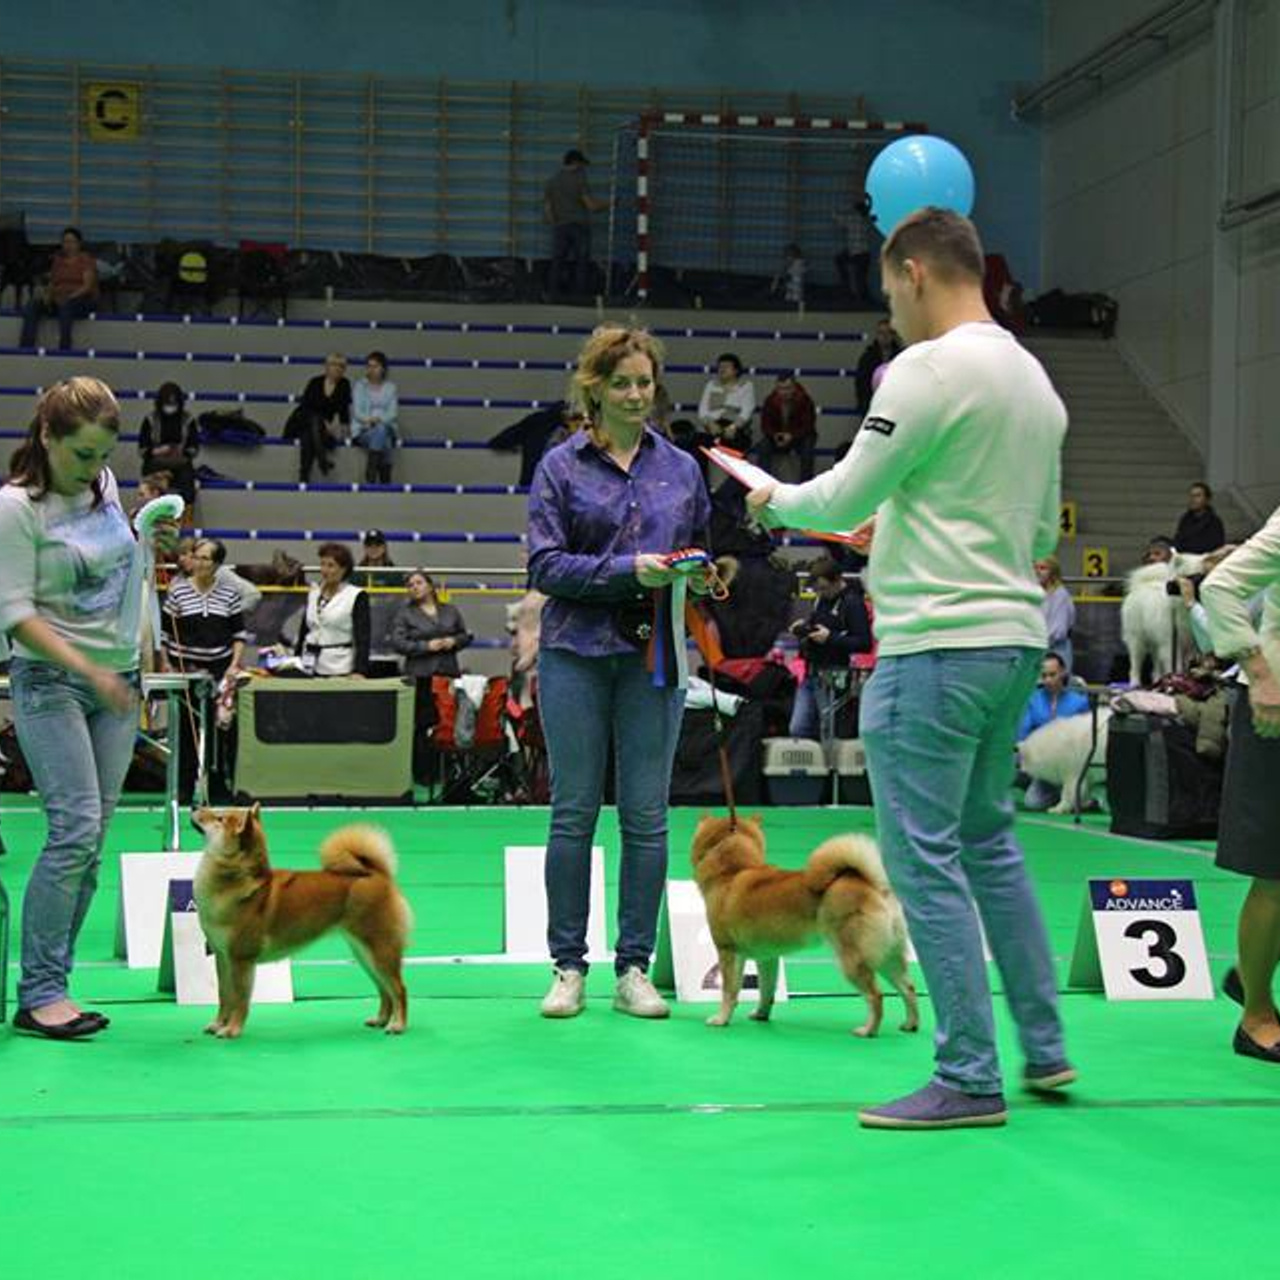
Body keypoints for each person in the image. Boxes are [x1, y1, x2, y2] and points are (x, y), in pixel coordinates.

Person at [748, 207, 1072, 1129]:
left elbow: (843, 488)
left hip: (935, 646)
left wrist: (772, 503)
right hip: (1011, 640)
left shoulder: (924, 370)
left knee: (924, 863)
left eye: (890, 288)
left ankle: (968, 1076)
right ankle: (1044, 1049)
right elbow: (1039, 532)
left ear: (917, 271)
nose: (889, 307)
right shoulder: (1034, 380)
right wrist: (910, 525)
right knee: (991, 844)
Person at [528, 325, 712, 1020]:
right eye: (623, 383)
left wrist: (699, 579)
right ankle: (567, 965)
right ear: (594, 389)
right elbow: (544, 565)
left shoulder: (683, 469)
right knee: (573, 814)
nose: (637, 395)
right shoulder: (560, 466)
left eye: (645, 383)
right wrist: (625, 573)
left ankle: (634, 967)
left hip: (654, 658)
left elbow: (700, 551)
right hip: (575, 652)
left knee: (647, 816)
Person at [0, 377, 169, 1039]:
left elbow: (119, 572)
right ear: (47, 438)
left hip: (117, 685)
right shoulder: (16, 508)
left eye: (104, 455)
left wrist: (135, 659)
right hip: (52, 683)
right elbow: (14, 615)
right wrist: (89, 671)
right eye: (81, 455)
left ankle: (56, 983)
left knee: (91, 845)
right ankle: (39, 991)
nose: (94, 469)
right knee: (71, 832)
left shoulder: (103, 488)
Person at [1200, 506, 1280, 1063]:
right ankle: (1255, 1015)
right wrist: (1261, 673)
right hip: (1277, 709)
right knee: (1276, 875)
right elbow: (1220, 586)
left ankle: (1253, 970)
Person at [160, 537, 247, 801]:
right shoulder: (178, 592)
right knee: (187, 731)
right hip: (186, 672)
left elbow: (239, 636)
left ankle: (219, 788)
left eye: (205, 558)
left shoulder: (230, 595)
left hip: (219, 673)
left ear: (217, 564)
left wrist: (233, 667)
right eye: (196, 556)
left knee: (221, 731)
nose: (198, 562)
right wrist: (167, 665)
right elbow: (165, 635)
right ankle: (184, 788)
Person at [389, 570, 472, 778]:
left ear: (430, 586)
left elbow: (464, 635)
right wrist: (427, 646)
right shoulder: (404, 613)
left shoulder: (450, 610)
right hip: (421, 676)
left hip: (447, 674)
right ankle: (423, 773)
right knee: (422, 725)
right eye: (410, 585)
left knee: (449, 724)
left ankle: (450, 773)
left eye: (418, 582)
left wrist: (454, 642)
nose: (414, 587)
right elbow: (398, 643)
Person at [787, 555, 872, 740]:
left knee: (830, 730)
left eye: (824, 588)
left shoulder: (853, 603)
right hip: (811, 671)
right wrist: (804, 627)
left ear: (837, 580)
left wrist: (830, 638)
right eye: (818, 589)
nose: (821, 593)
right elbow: (817, 624)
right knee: (798, 729)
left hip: (835, 675)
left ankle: (829, 766)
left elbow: (864, 643)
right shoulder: (820, 600)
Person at [1016, 652, 1090, 811]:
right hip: (1039, 761)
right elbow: (1023, 732)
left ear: (1063, 672)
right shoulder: (1032, 699)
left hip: (1068, 766)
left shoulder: (1079, 702)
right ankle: (1072, 795)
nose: (1048, 680)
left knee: (1033, 803)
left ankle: (1076, 794)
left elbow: (1086, 738)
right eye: (1044, 676)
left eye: (1052, 675)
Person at [295, 542, 370, 676]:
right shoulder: (313, 592)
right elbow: (304, 630)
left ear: (343, 569)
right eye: (322, 564)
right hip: (309, 665)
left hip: (339, 667)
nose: (325, 570)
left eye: (331, 565)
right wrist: (296, 660)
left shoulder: (356, 596)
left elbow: (363, 637)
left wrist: (360, 671)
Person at [19, 227, 99, 352]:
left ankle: (64, 348)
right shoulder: (58, 261)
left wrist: (69, 297)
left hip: (80, 299)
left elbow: (87, 286)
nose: (68, 245)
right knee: (33, 304)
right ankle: (26, 347)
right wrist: (47, 295)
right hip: (58, 298)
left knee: (66, 306)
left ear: (79, 244)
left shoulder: (86, 260)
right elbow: (53, 283)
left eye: (71, 242)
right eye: (65, 242)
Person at [543, 148, 607, 301]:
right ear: (576, 163)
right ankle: (580, 296)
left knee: (557, 261)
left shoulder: (552, 181)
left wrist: (556, 224)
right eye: (582, 165)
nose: (583, 168)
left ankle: (553, 294)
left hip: (560, 226)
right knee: (581, 262)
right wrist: (610, 204)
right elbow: (591, 206)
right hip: (579, 226)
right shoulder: (579, 180)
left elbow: (548, 210)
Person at [290, 353, 351, 483]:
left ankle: (304, 475)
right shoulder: (315, 382)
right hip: (302, 419)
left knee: (308, 437)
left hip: (317, 429)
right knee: (314, 420)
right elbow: (306, 406)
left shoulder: (344, 384)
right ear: (326, 367)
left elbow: (343, 410)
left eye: (341, 366)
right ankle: (322, 459)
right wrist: (324, 422)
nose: (337, 368)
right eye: (333, 365)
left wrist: (345, 432)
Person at [138, 381, 199, 507]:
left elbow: (194, 448)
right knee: (151, 488)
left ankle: (184, 514)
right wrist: (158, 451)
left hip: (180, 464)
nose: (170, 407)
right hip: (155, 463)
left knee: (187, 484)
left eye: (173, 404)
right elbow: (142, 449)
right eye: (167, 404)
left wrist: (179, 451)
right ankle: (151, 515)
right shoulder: (150, 419)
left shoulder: (188, 419)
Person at [757, 373, 818, 482]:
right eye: (780, 389)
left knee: (808, 448)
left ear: (794, 387)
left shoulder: (805, 400)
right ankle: (762, 483)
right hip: (777, 436)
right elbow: (765, 425)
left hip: (800, 437)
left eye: (787, 388)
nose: (784, 392)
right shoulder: (770, 400)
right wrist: (775, 435)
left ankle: (806, 484)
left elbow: (808, 425)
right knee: (763, 446)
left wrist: (792, 436)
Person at [352, 351, 398, 484]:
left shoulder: (391, 388)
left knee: (382, 430)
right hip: (364, 429)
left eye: (375, 366)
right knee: (385, 440)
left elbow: (393, 413)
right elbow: (357, 412)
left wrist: (379, 420)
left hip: (384, 426)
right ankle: (385, 480)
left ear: (383, 368)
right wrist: (371, 420)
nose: (371, 369)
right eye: (369, 366)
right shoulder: (360, 386)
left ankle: (371, 472)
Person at [697, 353, 756, 452]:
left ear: (736, 370)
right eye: (720, 367)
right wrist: (709, 423)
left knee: (732, 442)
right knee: (698, 444)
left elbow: (747, 410)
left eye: (726, 367)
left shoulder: (746, 386)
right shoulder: (711, 385)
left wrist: (734, 427)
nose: (722, 369)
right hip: (712, 425)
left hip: (734, 426)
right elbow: (702, 410)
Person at [854, 317, 903, 415]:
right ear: (877, 335)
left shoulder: (902, 357)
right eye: (881, 333)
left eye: (888, 332)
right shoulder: (867, 357)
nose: (885, 336)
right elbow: (861, 384)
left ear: (893, 335)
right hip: (872, 406)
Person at [1035, 554, 1075, 671]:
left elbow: (1058, 632)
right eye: (1036, 568)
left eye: (1043, 568)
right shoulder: (1037, 593)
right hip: (1039, 650)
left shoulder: (1060, 595)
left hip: (1056, 653)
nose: (1038, 572)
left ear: (1053, 572)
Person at [834, 194, 875, 304]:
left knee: (841, 262)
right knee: (861, 277)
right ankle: (863, 298)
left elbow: (835, 215)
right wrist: (868, 201)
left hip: (855, 252)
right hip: (864, 253)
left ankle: (849, 290)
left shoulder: (852, 219)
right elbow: (869, 211)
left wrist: (848, 207)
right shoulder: (867, 219)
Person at [1174, 481, 1227, 555]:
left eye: (1197, 496)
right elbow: (1178, 543)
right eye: (1191, 496)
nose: (1193, 499)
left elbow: (1214, 547)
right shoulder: (1185, 519)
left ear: (1207, 499)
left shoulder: (1214, 521)